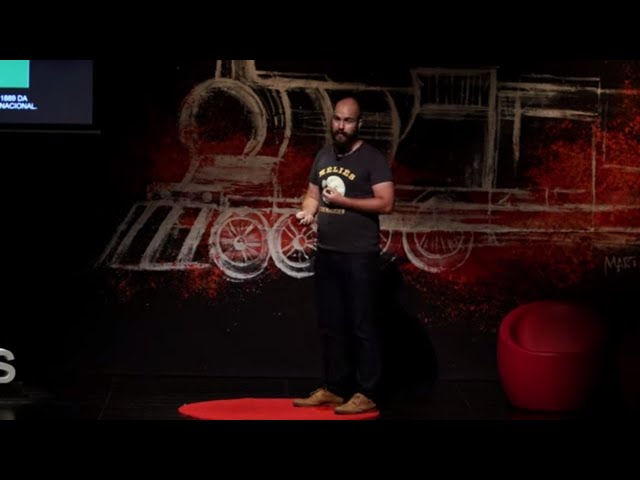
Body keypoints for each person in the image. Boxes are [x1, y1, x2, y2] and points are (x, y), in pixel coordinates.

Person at [292, 96, 395, 414]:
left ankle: (367, 392)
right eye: (337, 119)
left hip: (359, 255)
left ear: (358, 123)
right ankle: (335, 388)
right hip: (327, 253)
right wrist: (308, 211)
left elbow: (386, 203)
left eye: (348, 121)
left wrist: (343, 202)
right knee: (331, 325)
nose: (341, 125)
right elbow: (312, 194)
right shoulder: (324, 155)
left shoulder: (372, 158)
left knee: (363, 325)